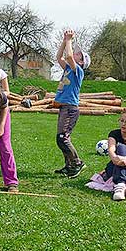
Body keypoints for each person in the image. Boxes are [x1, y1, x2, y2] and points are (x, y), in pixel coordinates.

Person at [53, 30, 91, 178]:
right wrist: (64, 41)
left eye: (78, 55)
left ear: (81, 62)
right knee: (62, 138)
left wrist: (69, 40)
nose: (74, 54)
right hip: (64, 107)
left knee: (62, 138)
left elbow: (68, 56)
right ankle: (69, 166)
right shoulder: (69, 68)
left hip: (70, 108)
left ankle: (77, 163)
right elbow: (59, 57)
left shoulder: (78, 71)